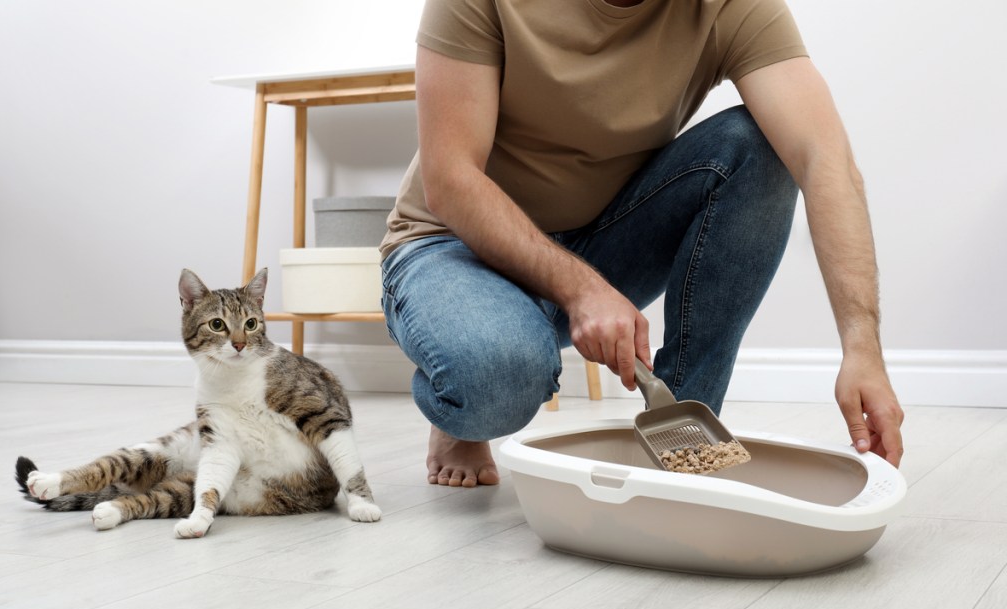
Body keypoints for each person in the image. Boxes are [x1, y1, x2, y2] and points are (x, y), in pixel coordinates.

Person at [381, 0, 905, 487]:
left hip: (601, 239)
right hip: (451, 246)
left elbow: (824, 159)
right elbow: (450, 180)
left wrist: (862, 347)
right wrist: (582, 290)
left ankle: (682, 428)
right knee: (494, 383)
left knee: (762, 146)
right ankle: (466, 408)